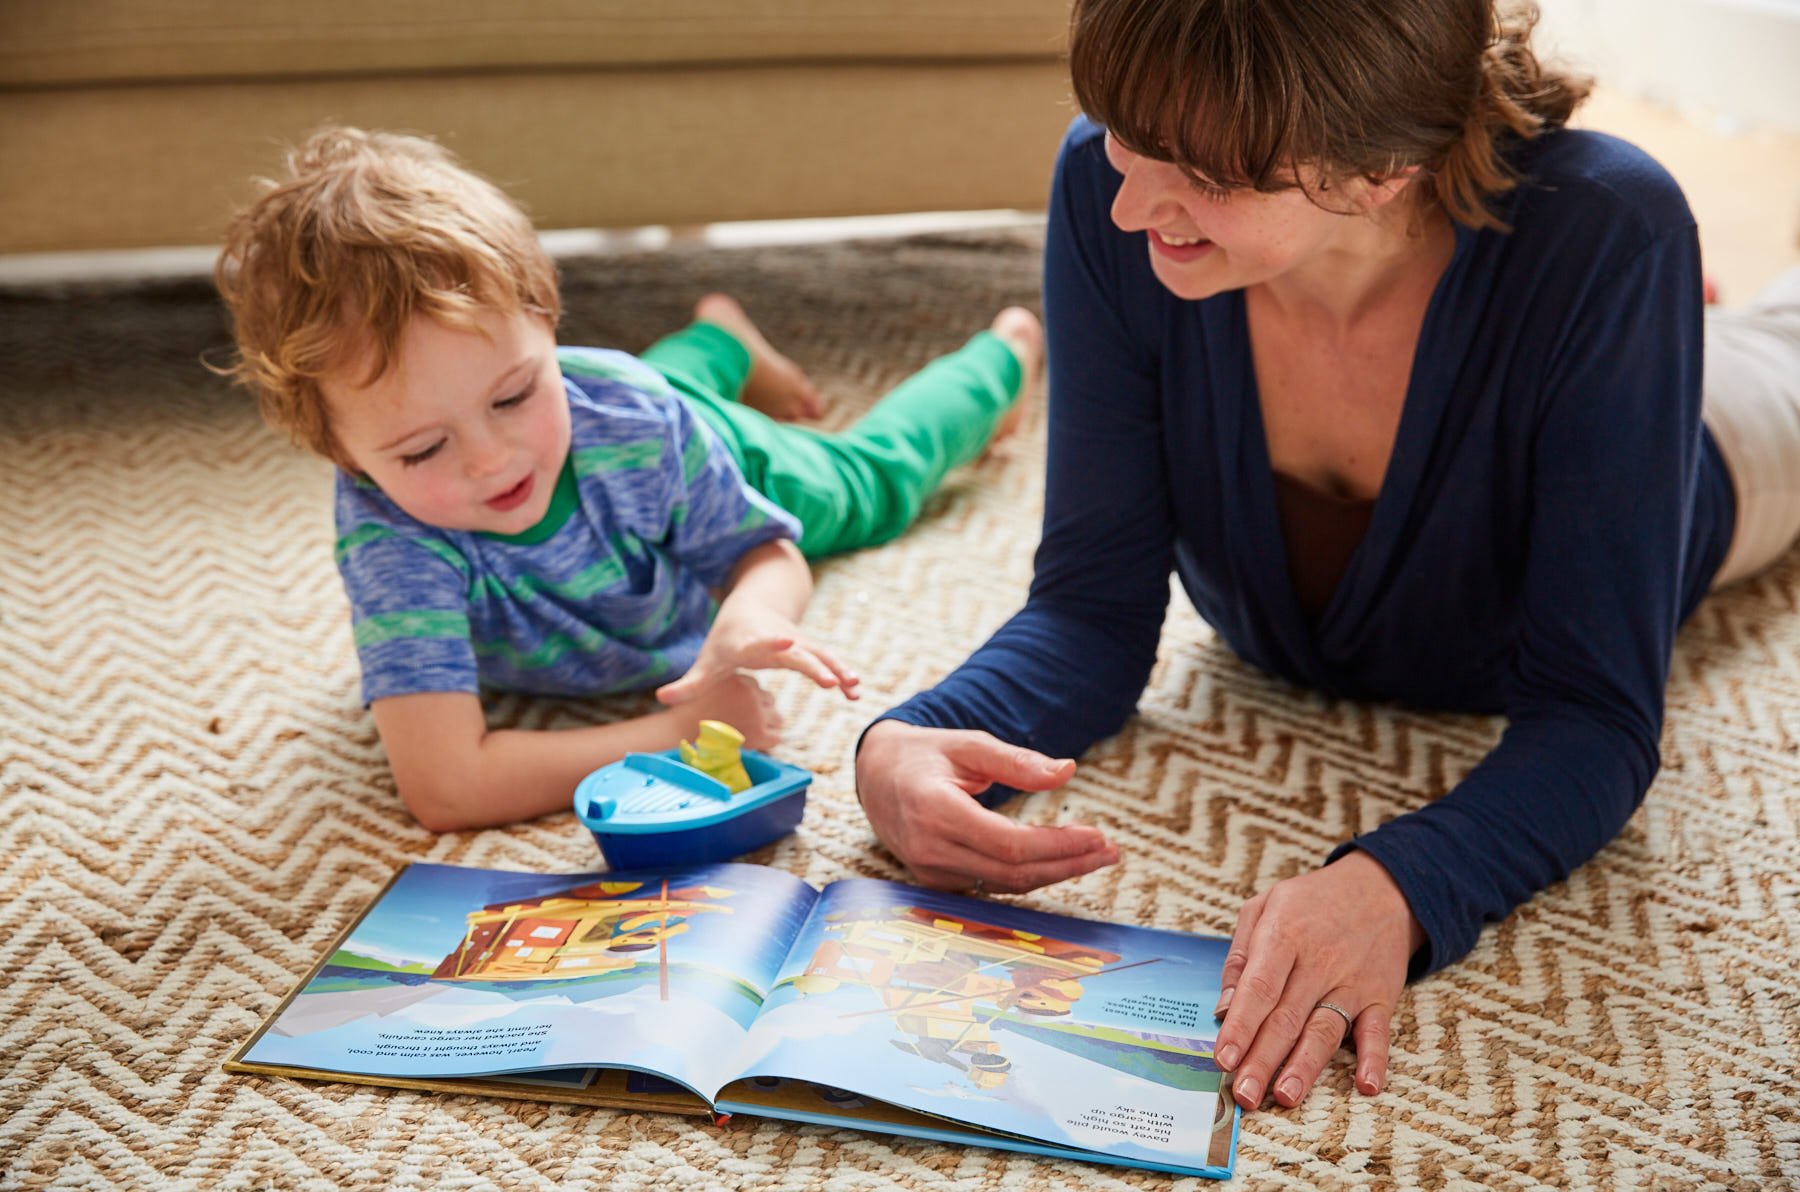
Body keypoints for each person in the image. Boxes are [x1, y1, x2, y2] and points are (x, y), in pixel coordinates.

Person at [854, 0, 1800, 1117]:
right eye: (1123, 133)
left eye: (1206, 175)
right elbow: (1091, 612)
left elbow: (1595, 716)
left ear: (1384, 169)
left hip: (1722, 438)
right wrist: (910, 739)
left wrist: (1395, 886)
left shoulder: (1611, 229)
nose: (1127, 202)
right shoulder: (1116, 203)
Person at [213, 126, 1042, 834]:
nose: (490, 459)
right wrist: (676, 734)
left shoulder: (637, 423)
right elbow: (446, 788)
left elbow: (768, 555)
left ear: (547, 325)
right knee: (629, 394)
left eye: (513, 395)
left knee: (867, 489)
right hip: (625, 417)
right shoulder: (387, 531)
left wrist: (753, 615)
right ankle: (718, 339)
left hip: (687, 440)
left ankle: (1003, 356)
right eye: (424, 449)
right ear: (343, 454)